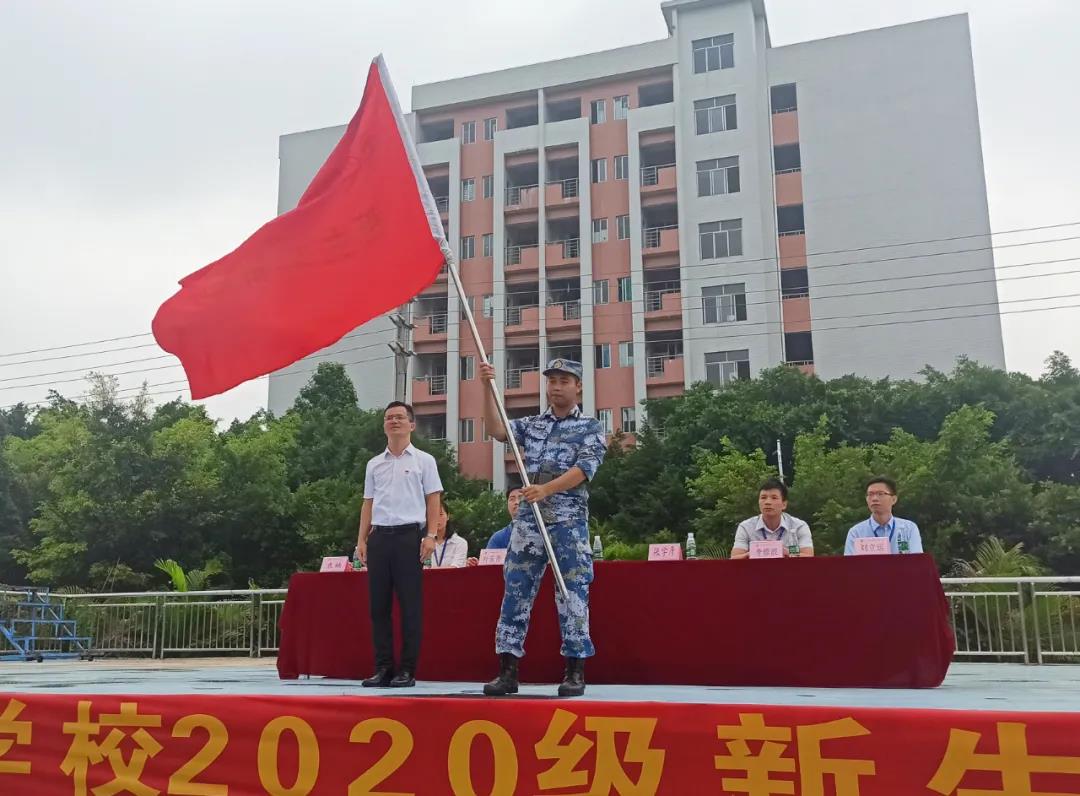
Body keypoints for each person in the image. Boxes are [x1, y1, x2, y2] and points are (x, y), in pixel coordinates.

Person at [479, 358, 607, 698]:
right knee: (516, 590)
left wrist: (547, 490)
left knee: (571, 591)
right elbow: (497, 430)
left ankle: (575, 670)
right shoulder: (533, 425)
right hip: (529, 521)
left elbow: (585, 469)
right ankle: (507, 670)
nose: (556, 387)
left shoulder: (591, 427)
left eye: (564, 380)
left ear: (578, 386)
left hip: (567, 521)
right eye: (552, 380)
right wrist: (486, 388)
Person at [355, 401, 443, 688]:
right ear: (384, 425)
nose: (393, 421)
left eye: (400, 417)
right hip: (380, 537)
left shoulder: (424, 461)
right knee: (378, 607)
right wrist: (361, 540)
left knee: (409, 606)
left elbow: (433, 498)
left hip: (409, 537)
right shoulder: (374, 464)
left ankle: (407, 669)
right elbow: (368, 503)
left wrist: (431, 535)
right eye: (388, 418)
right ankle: (383, 667)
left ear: (411, 425)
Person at [731, 478, 814, 558]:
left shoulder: (799, 526)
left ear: (784, 504)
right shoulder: (746, 527)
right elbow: (735, 558)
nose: (767, 502)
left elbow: (808, 556)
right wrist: (754, 552)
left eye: (774, 498)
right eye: (763, 497)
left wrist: (786, 552)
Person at [844, 476, 923, 555]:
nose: (874, 498)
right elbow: (850, 562)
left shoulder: (909, 528)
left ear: (894, 499)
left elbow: (917, 560)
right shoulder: (856, 532)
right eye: (870, 494)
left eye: (880, 494)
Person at [467, 488, 523, 567]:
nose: (516, 502)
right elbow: (488, 568)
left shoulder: (540, 531)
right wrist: (477, 565)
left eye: (521, 498)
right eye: (512, 499)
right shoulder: (498, 537)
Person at [430, 496, 468, 569]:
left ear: (447, 516)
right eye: (433, 515)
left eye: (440, 514)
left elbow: (456, 568)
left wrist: (431, 569)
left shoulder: (460, 543)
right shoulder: (423, 543)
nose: (437, 519)